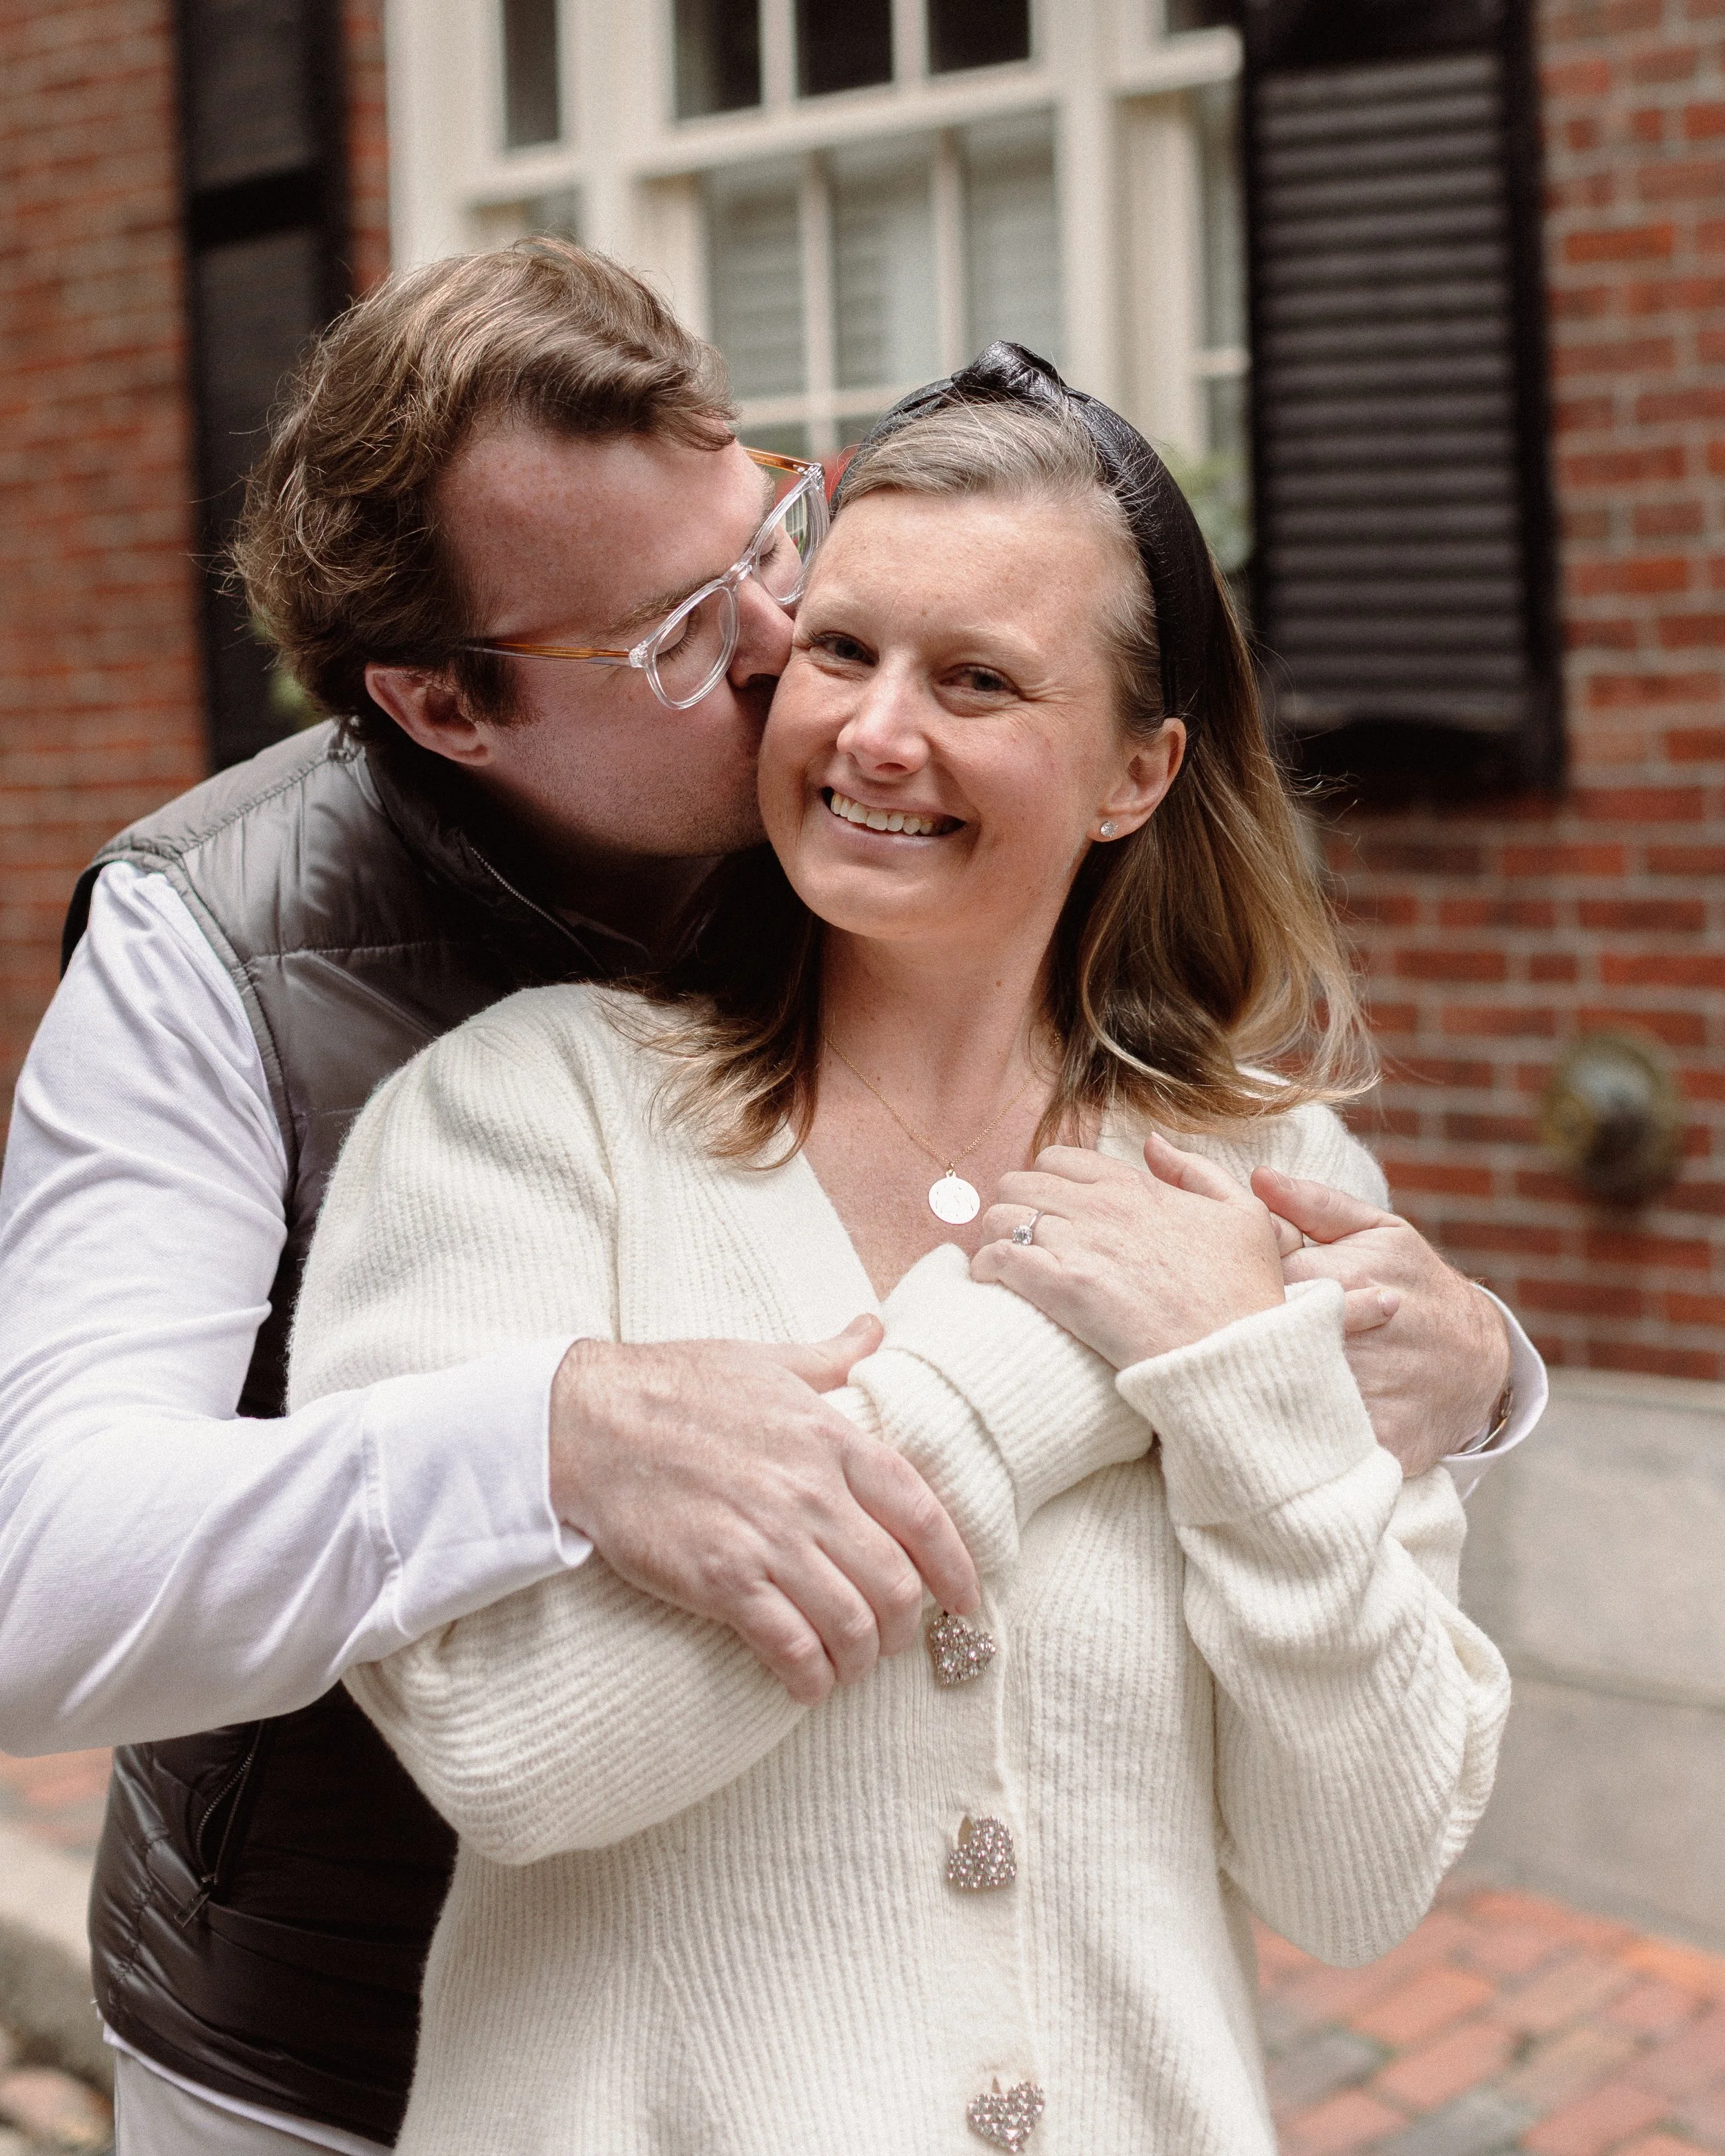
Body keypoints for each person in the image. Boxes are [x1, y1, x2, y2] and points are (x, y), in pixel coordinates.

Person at [0, 248, 1538, 2156]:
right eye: (673, 632)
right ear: (443, 703)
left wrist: (1450, 1369)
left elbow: (1359, 1848)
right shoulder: (282, 982)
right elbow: (47, 1578)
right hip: (302, 2051)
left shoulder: (1240, 1160)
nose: (777, 649)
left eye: (769, 543)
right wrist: (558, 1435)